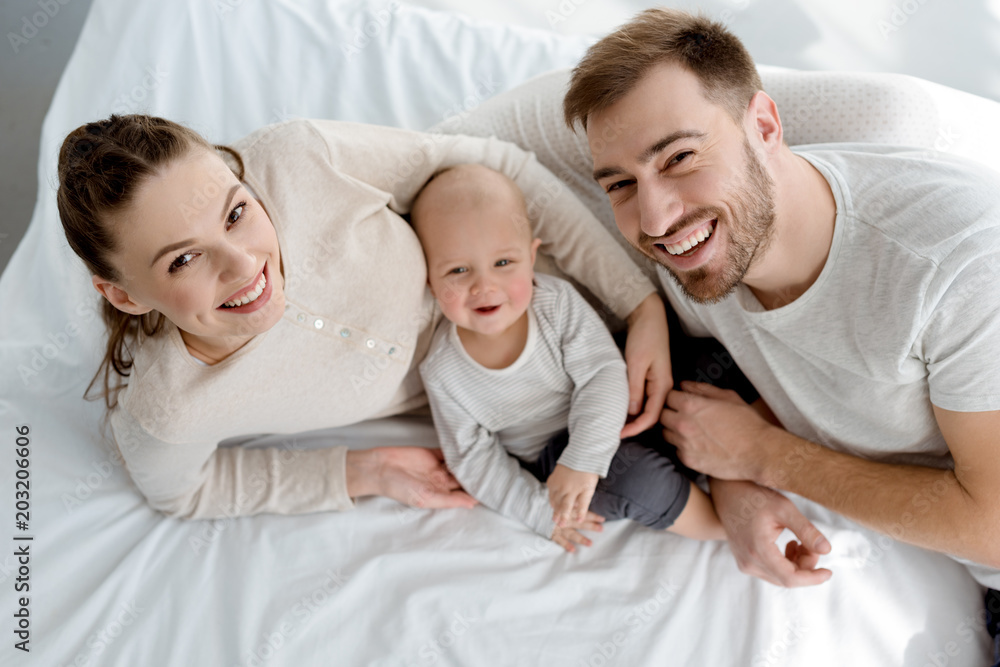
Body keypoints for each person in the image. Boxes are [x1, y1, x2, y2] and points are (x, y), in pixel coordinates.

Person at [563, 6, 1000, 653]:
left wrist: (763, 456)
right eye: (621, 183)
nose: (654, 215)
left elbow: (994, 524)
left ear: (764, 125)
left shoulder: (956, 263)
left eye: (680, 156)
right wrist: (735, 482)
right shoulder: (701, 251)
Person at [55, 114, 671, 521]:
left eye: (237, 213)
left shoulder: (302, 161)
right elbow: (181, 493)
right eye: (184, 259)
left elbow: (488, 168)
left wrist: (638, 303)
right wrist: (360, 472)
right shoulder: (169, 409)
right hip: (516, 417)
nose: (243, 266)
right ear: (125, 296)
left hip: (573, 313)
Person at [412, 164, 725, 551]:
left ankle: (741, 465)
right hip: (556, 459)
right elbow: (474, 459)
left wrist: (587, 454)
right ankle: (722, 526)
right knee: (633, 482)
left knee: (706, 361)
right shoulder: (444, 371)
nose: (484, 286)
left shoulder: (554, 303)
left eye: (503, 263)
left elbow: (603, 374)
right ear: (430, 282)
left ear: (531, 256)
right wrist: (540, 509)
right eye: (458, 270)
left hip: (615, 404)